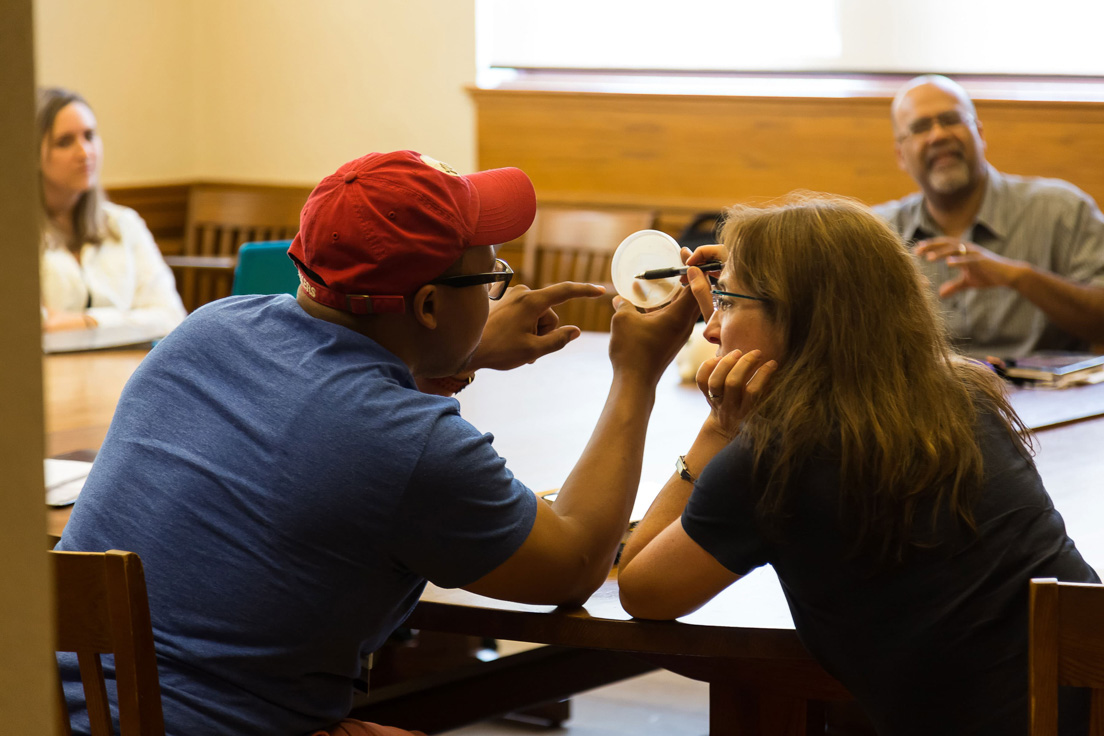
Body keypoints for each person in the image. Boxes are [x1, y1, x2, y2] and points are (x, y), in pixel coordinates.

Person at [56, 150, 700, 736]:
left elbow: (325, 406)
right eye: (491, 276)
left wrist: (458, 350)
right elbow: (576, 562)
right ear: (426, 308)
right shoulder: (409, 443)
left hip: (58, 713)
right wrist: (636, 374)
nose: (500, 286)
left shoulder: (206, 332)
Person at [618, 194, 1099, 735]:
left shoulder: (776, 459)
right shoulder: (964, 396)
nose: (710, 331)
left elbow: (641, 589)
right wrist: (748, 300)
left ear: (799, 315)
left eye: (727, 301)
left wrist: (720, 430)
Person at [873, 74, 1104, 359]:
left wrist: (1019, 278)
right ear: (900, 156)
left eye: (951, 120)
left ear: (980, 135)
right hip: (928, 400)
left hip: (1050, 398)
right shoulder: (880, 235)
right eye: (920, 128)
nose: (939, 135)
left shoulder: (1061, 210)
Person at [37, 87, 186, 335]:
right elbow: (34, 328)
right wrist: (130, 320)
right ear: (32, 155)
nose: (85, 153)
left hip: (129, 367)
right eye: (64, 142)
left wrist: (89, 321)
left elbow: (171, 317)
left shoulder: (123, 224)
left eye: (89, 135)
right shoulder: (13, 235)